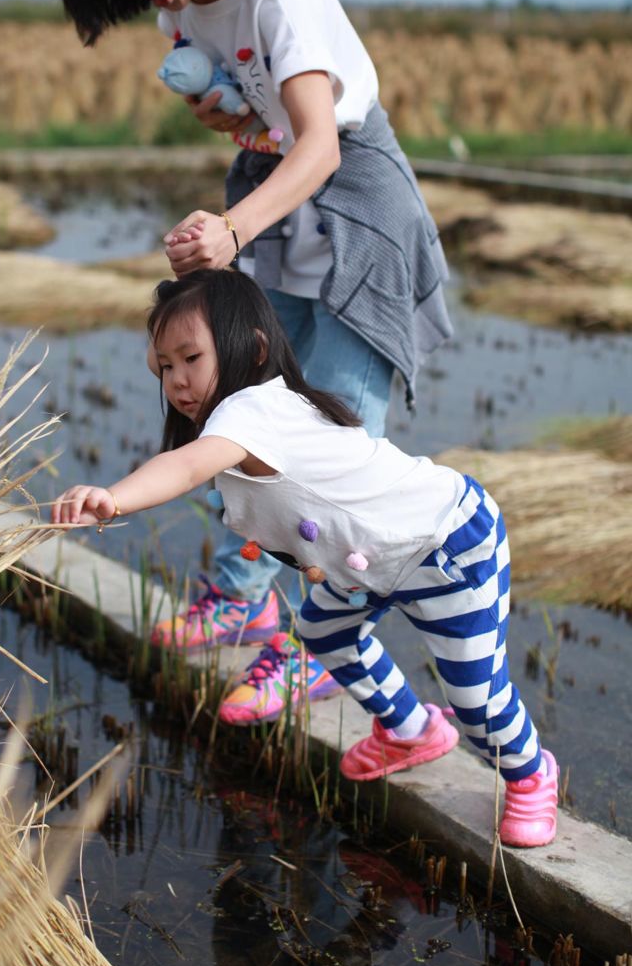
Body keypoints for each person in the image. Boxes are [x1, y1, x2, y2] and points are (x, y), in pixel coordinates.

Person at [57, 0, 453, 723]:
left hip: (349, 202)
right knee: (236, 402)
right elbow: (264, 121)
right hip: (274, 196)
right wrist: (221, 116)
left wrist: (232, 228)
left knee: (331, 436)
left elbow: (319, 139)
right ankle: (240, 593)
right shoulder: (181, 8)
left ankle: (314, 640)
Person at [51, 271, 558, 849]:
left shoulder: (251, 411)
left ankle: (531, 773)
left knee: (476, 701)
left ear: (255, 349)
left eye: (190, 357)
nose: (177, 380)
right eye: (164, 367)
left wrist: (113, 497)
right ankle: (412, 730)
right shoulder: (245, 420)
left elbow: (184, 467)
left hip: (446, 547)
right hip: (369, 565)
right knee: (321, 629)